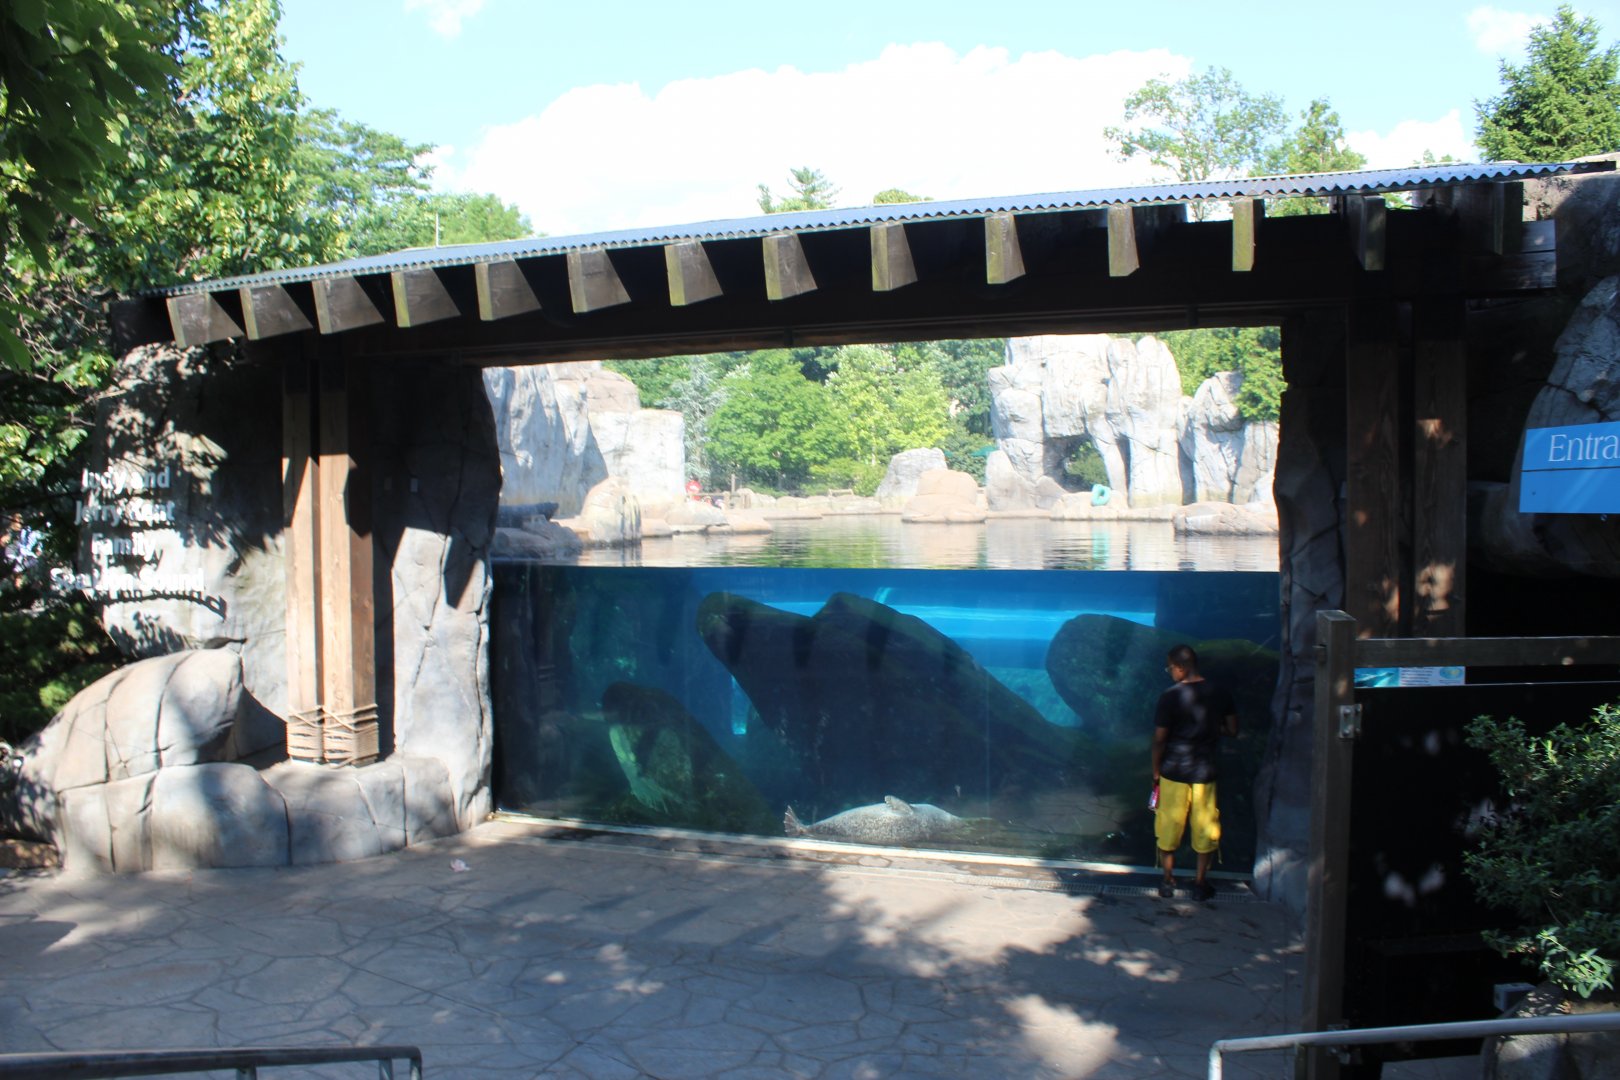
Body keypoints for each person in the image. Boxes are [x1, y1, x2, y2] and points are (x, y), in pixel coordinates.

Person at [1151, 644, 1238, 902]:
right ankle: (1200, 883)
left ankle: (1168, 881)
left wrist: (1155, 770)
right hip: (1205, 771)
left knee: (1168, 825)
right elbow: (1232, 730)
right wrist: (1211, 728)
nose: (1169, 672)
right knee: (1205, 826)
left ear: (1181, 667)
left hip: (1173, 771)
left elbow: (1159, 739)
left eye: (1170, 667)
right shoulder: (1220, 692)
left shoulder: (1170, 696)